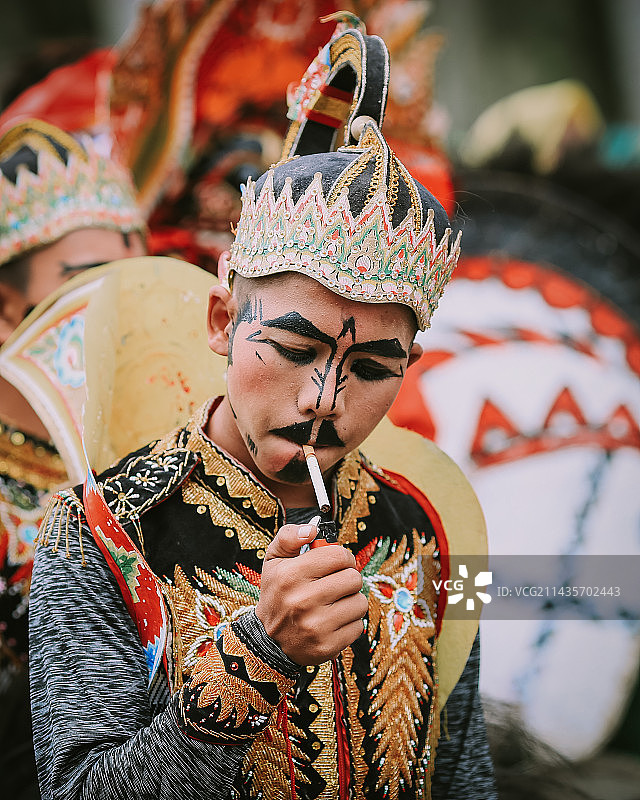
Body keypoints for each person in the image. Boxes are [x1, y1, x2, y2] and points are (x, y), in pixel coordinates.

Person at [29, 107, 496, 798]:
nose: (323, 398)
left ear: (410, 363)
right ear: (223, 321)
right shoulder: (97, 533)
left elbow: (465, 769)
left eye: (371, 369)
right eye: (294, 350)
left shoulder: (438, 527)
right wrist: (256, 656)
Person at [0, 118, 146, 799]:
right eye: (97, 280)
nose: (133, 302)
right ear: (6, 308)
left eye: (142, 272)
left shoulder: (178, 440)